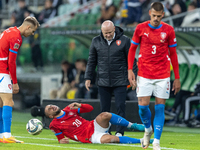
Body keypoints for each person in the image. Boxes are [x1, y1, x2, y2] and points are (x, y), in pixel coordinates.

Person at [128, 2, 181, 150]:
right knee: (143, 106)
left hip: (163, 74)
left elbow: (174, 54)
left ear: (162, 15)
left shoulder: (169, 30)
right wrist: (130, 70)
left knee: (159, 108)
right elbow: (132, 50)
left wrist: (177, 77)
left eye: (159, 16)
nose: (156, 18)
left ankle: (156, 141)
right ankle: (147, 129)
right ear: (150, 13)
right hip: (144, 74)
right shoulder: (140, 28)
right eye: (154, 15)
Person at [85, 20, 136, 136]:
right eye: (105, 33)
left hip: (120, 80)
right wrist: (88, 77)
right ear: (101, 31)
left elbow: (131, 60)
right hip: (103, 81)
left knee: (120, 107)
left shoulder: (125, 40)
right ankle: (106, 131)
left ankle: (120, 132)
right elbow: (91, 61)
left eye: (109, 32)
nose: (107, 35)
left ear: (114, 29)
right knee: (104, 109)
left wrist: (134, 76)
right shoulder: (96, 41)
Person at [0, 16, 40, 143]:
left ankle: (1, 135)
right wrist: (15, 82)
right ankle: (7, 135)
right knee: (9, 102)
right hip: (2, 71)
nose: (32, 34)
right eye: (32, 31)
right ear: (28, 27)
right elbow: (11, 61)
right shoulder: (17, 37)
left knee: (1, 104)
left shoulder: (9, 30)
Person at [45, 102, 150, 144]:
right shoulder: (54, 124)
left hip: (93, 125)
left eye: (51, 105)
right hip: (90, 137)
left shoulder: (69, 109)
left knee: (105, 115)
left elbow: (90, 108)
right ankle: (142, 140)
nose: (52, 107)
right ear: (51, 116)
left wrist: (80, 105)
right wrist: (61, 141)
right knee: (111, 139)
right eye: (49, 109)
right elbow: (61, 139)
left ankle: (132, 125)